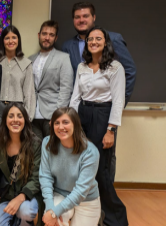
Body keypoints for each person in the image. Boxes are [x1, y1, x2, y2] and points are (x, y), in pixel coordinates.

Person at [62, 2, 137, 183]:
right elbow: (73, 87)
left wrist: (113, 107)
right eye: (77, 17)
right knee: (80, 155)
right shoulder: (68, 46)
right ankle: (86, 199)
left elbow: (130, 72)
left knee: (103, 159)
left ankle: (105, 202)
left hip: (104, 113)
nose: (81, 20)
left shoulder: (113, 40)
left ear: (93, 18)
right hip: (82, 112)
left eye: (85, 16)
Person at [69, 26, 128, 226]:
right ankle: (88, 215)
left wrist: (111, 130)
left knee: (100, 171)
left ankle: (116, 219)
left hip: (103, 117)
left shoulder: (115, 67)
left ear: (105, 42)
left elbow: (118, 101)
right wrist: (70, 122)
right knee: (81, 167)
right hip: (82, 116)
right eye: (90, 39)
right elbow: (75, 97)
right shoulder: (82, 67)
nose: (93, 41)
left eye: (98, 38)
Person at [0, 102, 43, 226]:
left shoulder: (36, 143)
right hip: (5, 195)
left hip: (27, 196)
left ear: (25, 120)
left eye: (19, 116)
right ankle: (15, 218)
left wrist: (21, 197)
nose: (15, 120)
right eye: (11, 116)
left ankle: (22, 220)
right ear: (5, 120)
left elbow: (36, 178)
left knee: (25, 211)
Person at [39, 107, 100, 226]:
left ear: (75, 125)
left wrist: (54, 213)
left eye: (65, 122)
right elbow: (45, 177)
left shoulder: (90, 152)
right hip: (60, 194)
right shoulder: (47, 143)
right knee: (53, 222)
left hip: (86, 200)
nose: (61, 127)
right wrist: (50, 209)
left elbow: (81, 191)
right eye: (57, 123)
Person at [28, 20, 73, 140]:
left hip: (51, 115)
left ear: (56, 38)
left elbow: (66, 89)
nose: (47, 37)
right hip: (32, 116)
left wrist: (58, 116)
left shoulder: (63, 58)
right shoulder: (30, 59)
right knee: (35, 153)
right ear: (39, 35)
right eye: (44, 34)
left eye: (51, 35)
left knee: (52, 151)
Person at [0, 26, 36, 128]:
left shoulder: (26, 64)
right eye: (7, 38)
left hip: (18, 110)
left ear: (18, 40)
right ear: (2, 41)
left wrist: (27, 117)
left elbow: (29, 93)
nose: (10, 41)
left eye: (14, 37)